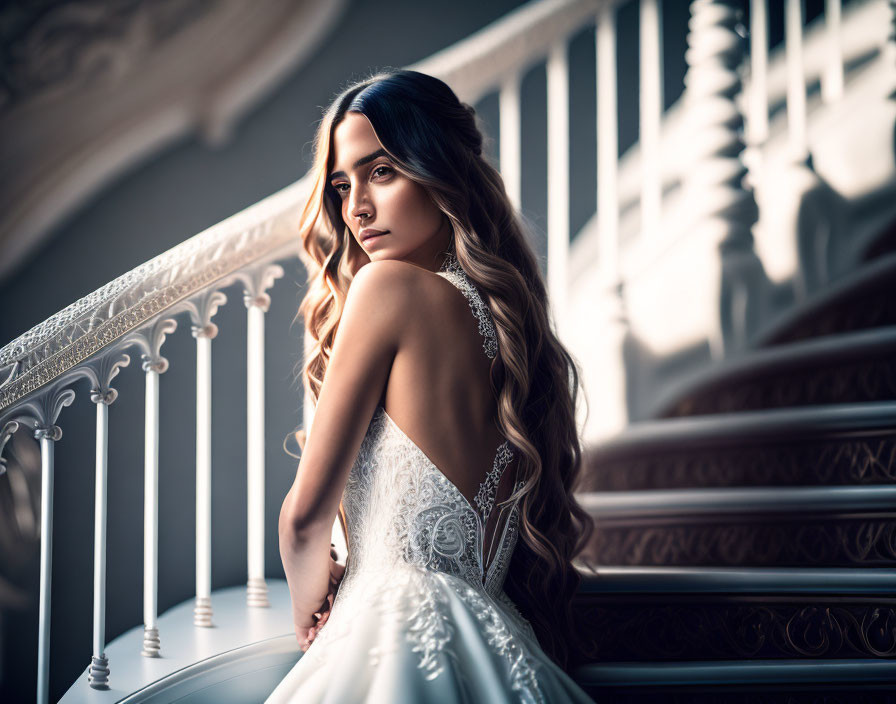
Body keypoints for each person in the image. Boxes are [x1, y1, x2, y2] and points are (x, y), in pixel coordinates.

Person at [267, 68, 598, 703]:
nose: (356, 206)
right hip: (496, 634)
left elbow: (304, 521)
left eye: (382, 171)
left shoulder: (385, 287)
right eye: (342, 185)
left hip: (391, 628)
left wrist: (311, 609)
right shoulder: (510, 333)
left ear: (440, 170)